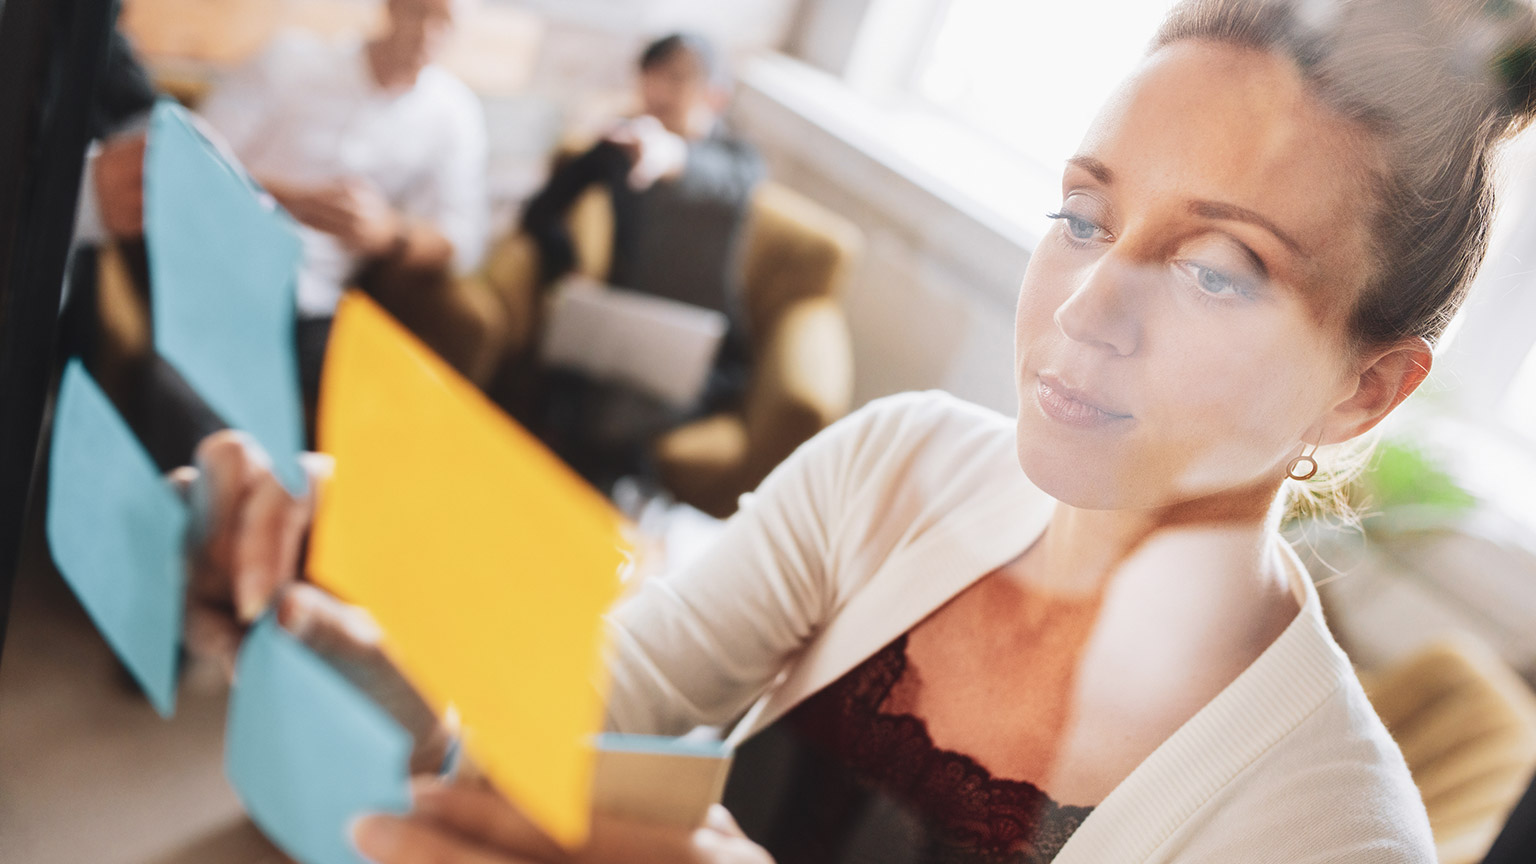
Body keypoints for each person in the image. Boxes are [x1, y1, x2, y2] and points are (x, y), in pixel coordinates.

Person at [180, 0, 1536, 861]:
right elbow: (557, 735)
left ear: (1369, 389)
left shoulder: (1332, 838)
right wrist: (350, 609)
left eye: (1218, 270)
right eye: (1083, 215)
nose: (1085, 310)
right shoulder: (894, 469)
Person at [197, 0, 488, 426]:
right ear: (391, 7)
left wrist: (390, 233)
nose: (428, 34)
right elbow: (194, 159)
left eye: (444, 20)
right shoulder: (291, 61)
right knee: (204, 400)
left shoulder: (453, 113)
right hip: (227, 274)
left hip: (320, 301)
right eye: (419, 12)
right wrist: (292, 200)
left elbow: (463, 239)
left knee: (379, 415)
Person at [518, 33, 766, 490]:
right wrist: (567, 265)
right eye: (650, 77)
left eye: (676, 79)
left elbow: (705, 176)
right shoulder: (622, 144)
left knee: (609, 430)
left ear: (715, 95)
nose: (659, 93)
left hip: (702, 350)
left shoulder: (739, 161)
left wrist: (666, 154)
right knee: (547, 396)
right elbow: (539, 212)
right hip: (619, 326)